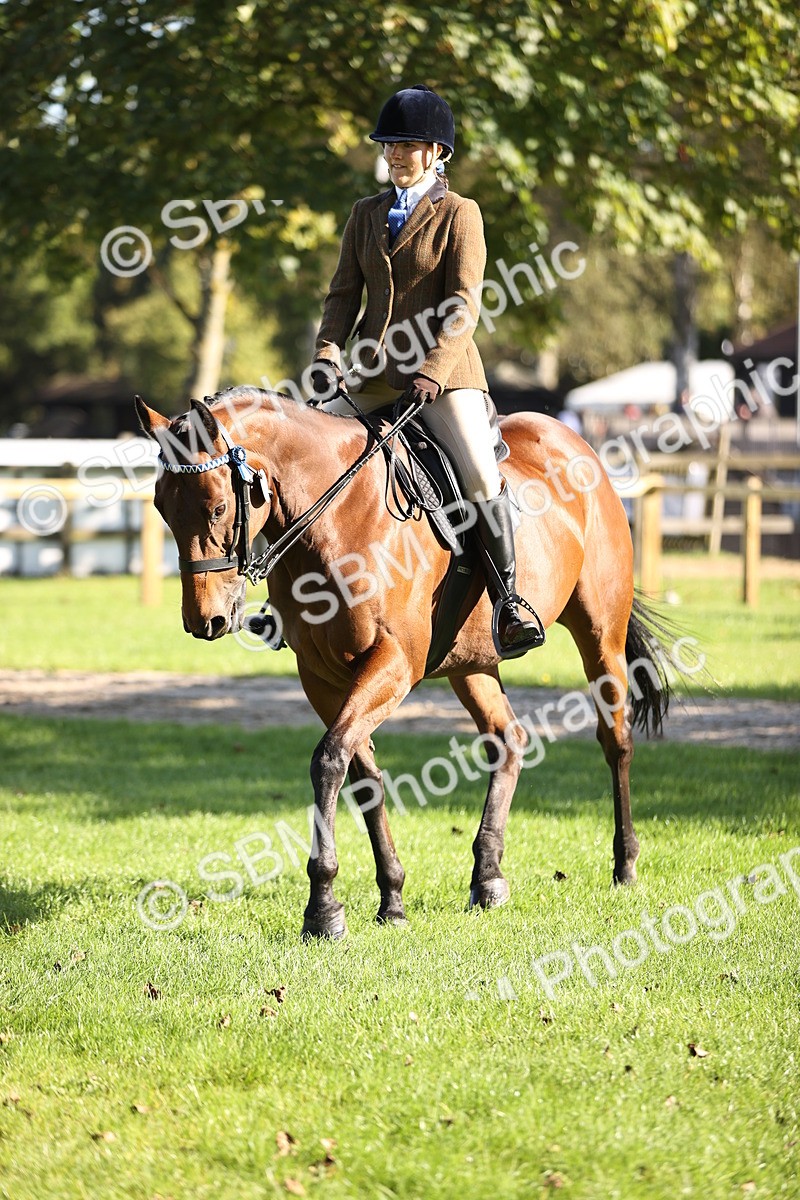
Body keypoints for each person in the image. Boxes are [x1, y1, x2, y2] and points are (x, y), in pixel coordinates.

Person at [309, 84, 544, 658]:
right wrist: (326, 352)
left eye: (406, 146)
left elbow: (465, 302)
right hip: (369, 376)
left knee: (482, 477)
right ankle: (288, 602)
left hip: (444, 377)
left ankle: (511, 601)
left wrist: (434, 369)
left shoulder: (461, 214)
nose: (394, 155)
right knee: (305, 457)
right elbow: (343, 295)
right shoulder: (364, 215)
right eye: (388, 145)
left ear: (437, 152)